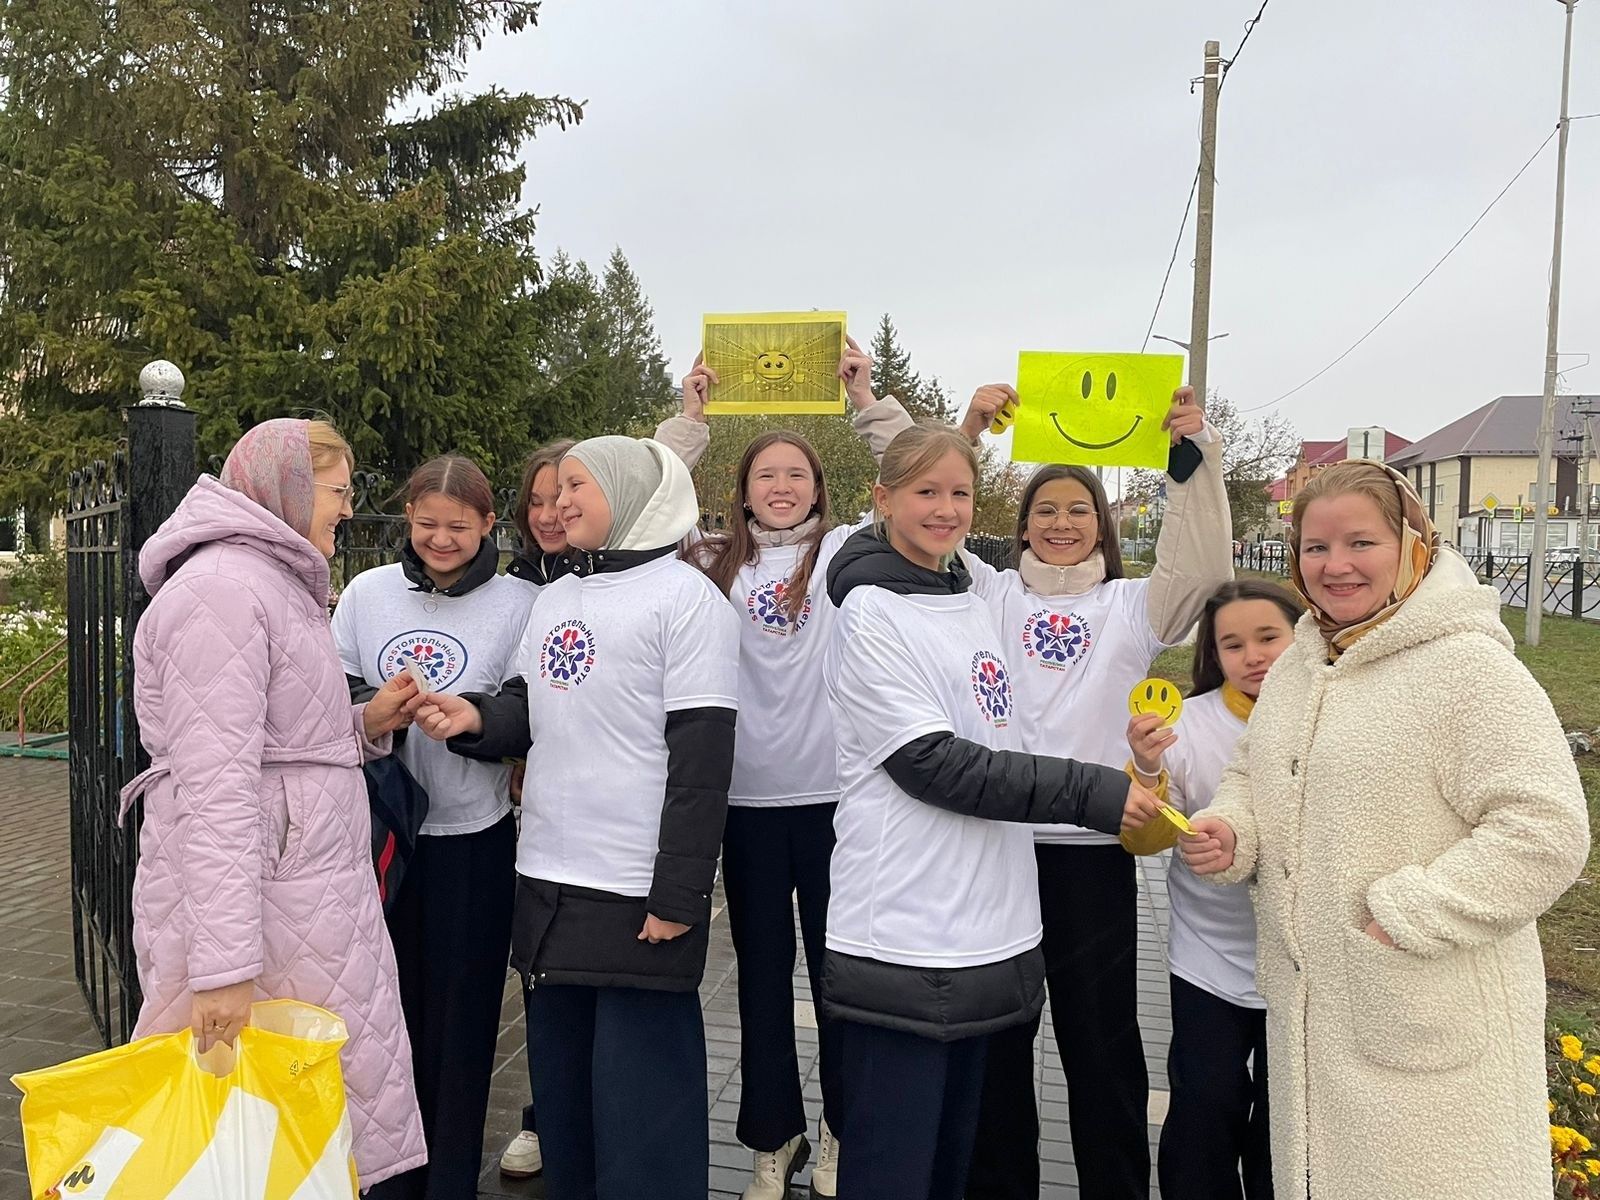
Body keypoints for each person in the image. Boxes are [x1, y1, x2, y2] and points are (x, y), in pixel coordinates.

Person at [1180, 461, 1589, 1200]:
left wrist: (1403, 919)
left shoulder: (1466, 668)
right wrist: (1232, 831)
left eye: (1360, 543)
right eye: (1315, 547)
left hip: (1430, 1032)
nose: (1335, 566)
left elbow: (1546, 830)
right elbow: (1253, 772)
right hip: (1318, 1027)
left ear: (1412, 543)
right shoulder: (1306, 662)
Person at [820, 424, 1162, 1200]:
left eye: (960, 493)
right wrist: (1096, 791)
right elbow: (934, 764)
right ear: (883, 499)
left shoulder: (966, 599)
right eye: (925, 492)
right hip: (907, 934)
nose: (946, 509)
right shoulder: (873, 612)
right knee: (896, 1166)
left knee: (958, 1163)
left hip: (989, 933)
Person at [412, 435, 740, 1200]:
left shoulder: (686, 600)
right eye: (554, 490)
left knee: (644, 1124)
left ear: (626, 495)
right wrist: (474, 719)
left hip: (633, 894)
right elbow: (529, 707)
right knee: (569, 1113)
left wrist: (678, 896)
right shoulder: (558, 594)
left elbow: (702, 762)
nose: (558, 504)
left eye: (576, 487)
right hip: (547, 883)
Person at [119, 418, 426, 1189]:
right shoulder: (222, 591)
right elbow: (216, 784)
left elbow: (276, 746)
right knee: (244, 1146)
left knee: (300, 1141)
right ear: (287, 487)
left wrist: (362, 726)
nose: (348, 507)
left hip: (302, 903)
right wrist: (222, 971)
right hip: (264, 913)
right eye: (338, 489)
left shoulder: (268, 582)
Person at [956, 383, 1233, 1200]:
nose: (1062, 523)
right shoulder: (988, 594)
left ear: (1101, 525)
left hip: (1093, 855)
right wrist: (969, 429)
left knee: (1102, 1046)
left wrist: (1194, 457)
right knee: (1001, 1045)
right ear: (1022, 525)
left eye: (1079, 510)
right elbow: (928, 514)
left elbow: (1202, 566)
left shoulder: (1130, 607)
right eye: (1046, 510)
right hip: (1000, 851)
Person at [663, 337, 913, 1200]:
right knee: (763, 985)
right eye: (765, 475)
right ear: (742, 489)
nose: (781, 487)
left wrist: (864, 399)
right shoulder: (705, 562)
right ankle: (774, 1140)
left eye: (796, 475)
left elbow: (919, 481)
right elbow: (644, 503)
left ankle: (844, 1132)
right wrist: (689, 420)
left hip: (839, 807)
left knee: (842, 984)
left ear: (818, 486)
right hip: (748, 806)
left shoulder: (849, 555)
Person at [332, 455, 531, 1199]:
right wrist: (373, 708)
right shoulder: (367, 593)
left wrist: (474, 720)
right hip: (379, 838)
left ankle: (448, 1178)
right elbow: (332, 682)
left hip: (472, 839)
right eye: (425, 525)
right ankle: (388, 1179)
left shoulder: (520, 602)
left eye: (457, 526)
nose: (440, 540)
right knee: (383, 1017)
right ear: (406, 521)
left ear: (488, 524)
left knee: (462, 1022)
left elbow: (526, 705)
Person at [1121, 580, 1305, 1200]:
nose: (1253, 655)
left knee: (1289, 1124)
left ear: (1302, 634)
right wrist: (1147, 769)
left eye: (1268, 637)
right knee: (1205, 1106)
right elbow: (1142, 843)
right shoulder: (1189, 727)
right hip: (1209, 962)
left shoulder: (1338, 717)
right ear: (1213, 655)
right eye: (1232, 644)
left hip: (1309, 967)